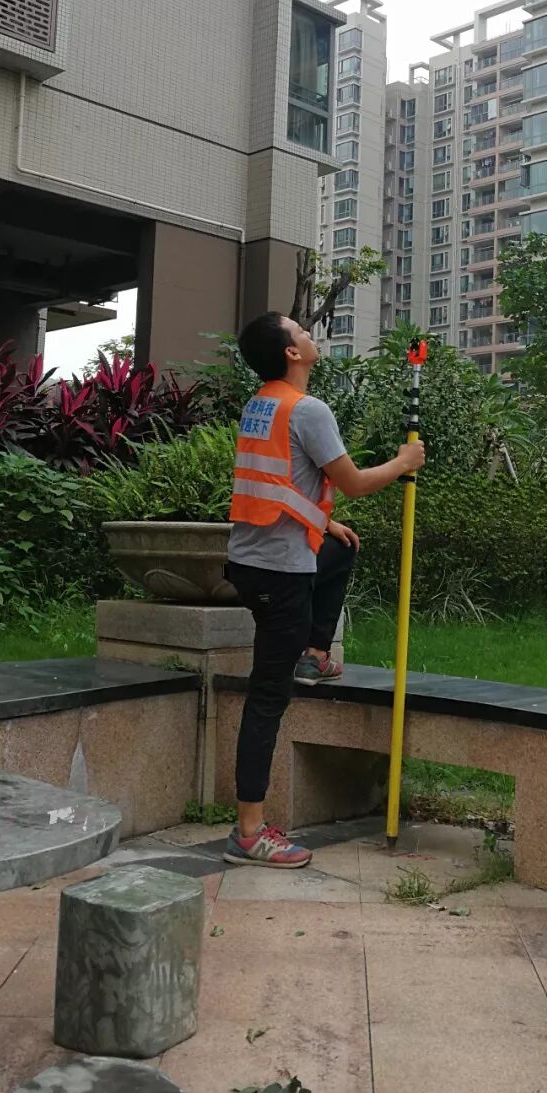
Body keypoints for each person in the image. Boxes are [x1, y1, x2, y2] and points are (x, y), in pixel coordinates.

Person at [223, 312, 426, 869]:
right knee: (267, 698)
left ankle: (315, 653)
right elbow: (354, 483)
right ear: (292, 353)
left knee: (341, 547)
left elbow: (277, 483)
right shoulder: (307, 410)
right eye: (302, 332)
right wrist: (404, 461)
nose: (311, 337)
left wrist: (323, 522)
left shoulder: (262, 404)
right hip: (279, 574)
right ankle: (249, 833)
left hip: (250, 560)